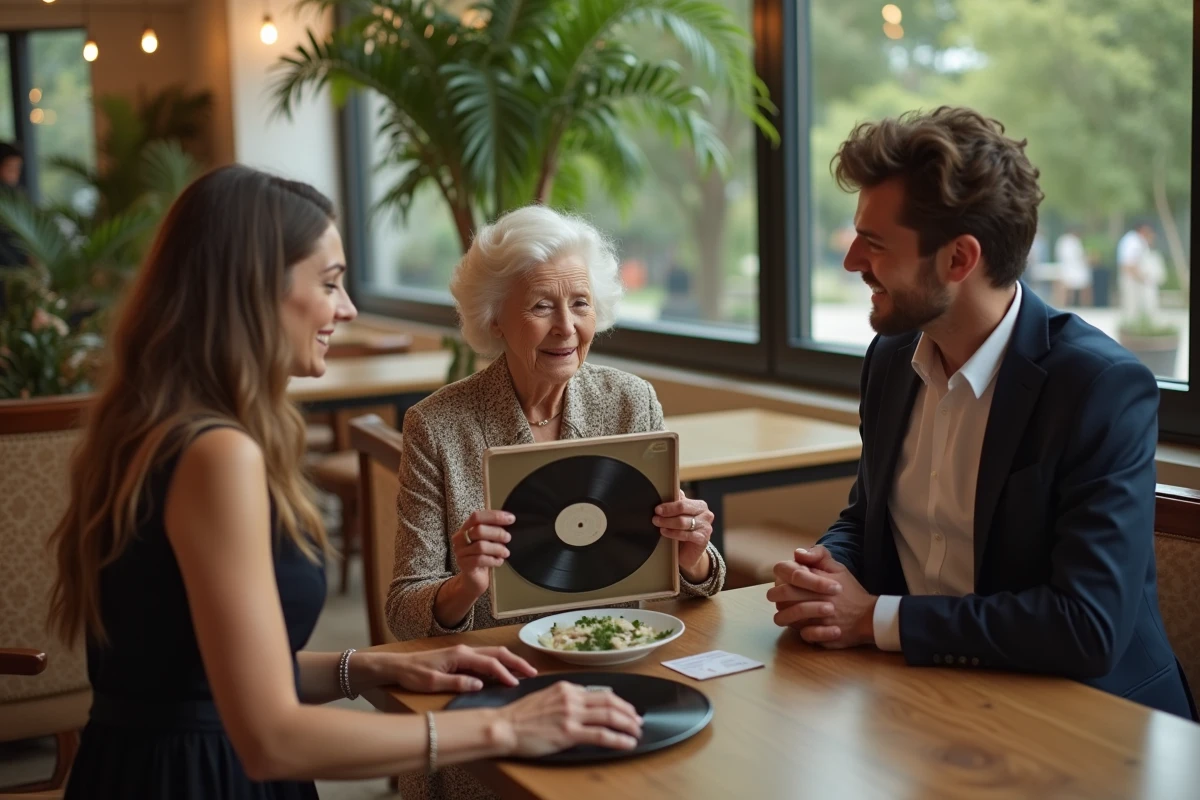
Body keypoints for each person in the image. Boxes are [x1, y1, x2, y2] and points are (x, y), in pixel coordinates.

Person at [47, 166, 644, 800]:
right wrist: (506, 727)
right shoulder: (217, 454)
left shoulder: (160, 427)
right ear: (255, 290)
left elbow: (195, 672)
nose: (348, 307)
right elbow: (270, 737)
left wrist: (372, 665)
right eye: (330, 282)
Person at [766, 107, 1195, 721]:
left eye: (875, 242)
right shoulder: (891, 358)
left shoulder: (1099, 388)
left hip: (1092, 721)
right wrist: (825, 571)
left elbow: (1087, 625)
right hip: (931, 701)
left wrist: (875, 618)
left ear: (958, 260)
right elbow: (868, 520)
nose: (852, 260)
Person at [1117, 222, 1163, 321]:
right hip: (1132, 278)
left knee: (1135, 308)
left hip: (1134, 277)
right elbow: (1128, 264)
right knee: (1132, 307)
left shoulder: (1135, 240)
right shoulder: (1134, 241)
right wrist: (1142, 278)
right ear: (1143, 230)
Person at [1052, 226, 1092, 307]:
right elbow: (1079, 256)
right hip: (1075, 268)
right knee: (1081, 288)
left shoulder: (1062, 240)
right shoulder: (1072, 241)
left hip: (1067, 267)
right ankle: (1084, 306)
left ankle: (1063, 305)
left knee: (1067, 288)